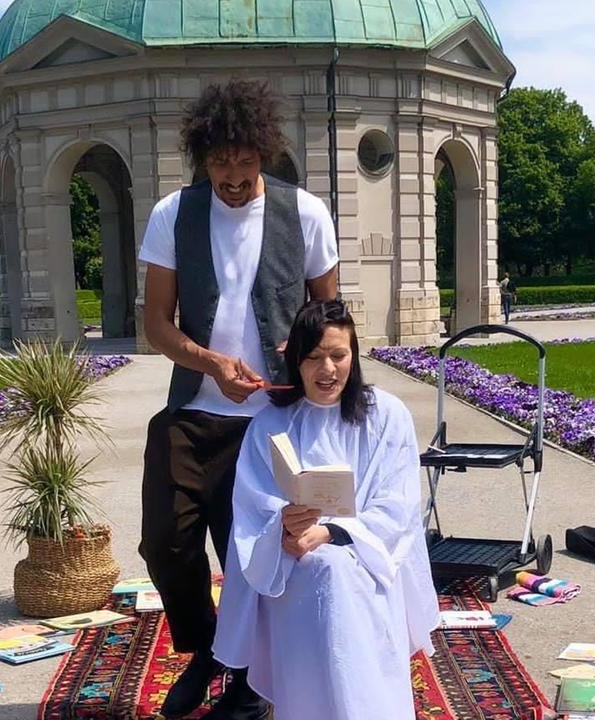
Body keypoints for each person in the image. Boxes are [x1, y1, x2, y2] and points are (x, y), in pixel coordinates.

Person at [137, 79, 339, 720]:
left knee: (255, 547)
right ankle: (206, 648)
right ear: (203, 157)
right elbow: (158, 324)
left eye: (243, 160)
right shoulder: (174, 213)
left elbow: (328, 316)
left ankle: (251, 678)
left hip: (277, 417)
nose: (230, 174)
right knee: (165, 540)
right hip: (195, 409)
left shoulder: (305, 213)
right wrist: (211, 364)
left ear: (263, 152)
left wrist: (310, 360)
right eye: (218, 161)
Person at [213, 300, 440, 720]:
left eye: (339, 355)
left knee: (334, 571)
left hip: (367, 559)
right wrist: (283, 530)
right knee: (319, 570)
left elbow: (399, 504)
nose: (328, 369)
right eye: (314, 357)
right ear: (296, 361)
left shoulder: (386, 415)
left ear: (354, 356)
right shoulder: (270, 425)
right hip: (292, 562)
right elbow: (252, 507)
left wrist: (333, 533)